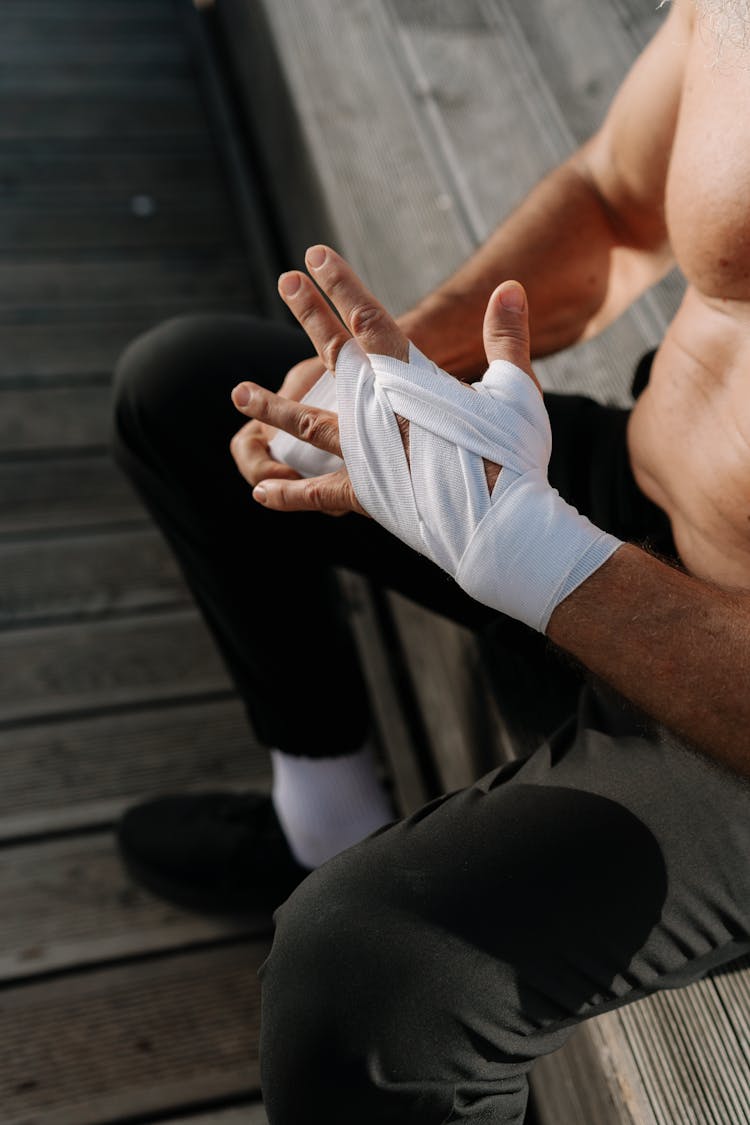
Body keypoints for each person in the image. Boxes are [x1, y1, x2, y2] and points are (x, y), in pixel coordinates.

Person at [112, 0, 750, 1120]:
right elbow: (615, 199)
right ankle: (323, 819)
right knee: (181, 389)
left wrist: (535, 554)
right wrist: (399, 372)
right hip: (630, 503)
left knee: (368, 980)